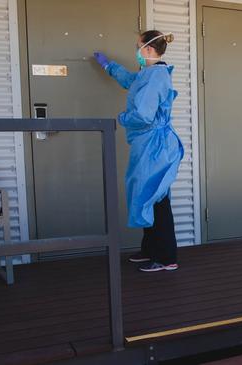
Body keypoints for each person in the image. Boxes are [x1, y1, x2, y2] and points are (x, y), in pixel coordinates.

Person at [93, 30, 183, 273]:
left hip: (154, 146)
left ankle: (166, 257)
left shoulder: (156, 77)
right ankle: (150, 248)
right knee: (147, 195)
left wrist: (122, 118)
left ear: (149, 49)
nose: (137, 51)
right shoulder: (149, 74)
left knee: (156, 197)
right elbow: (129, 80)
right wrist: (108, 65)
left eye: (138, 46)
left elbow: (143, 115)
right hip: (149, 145)